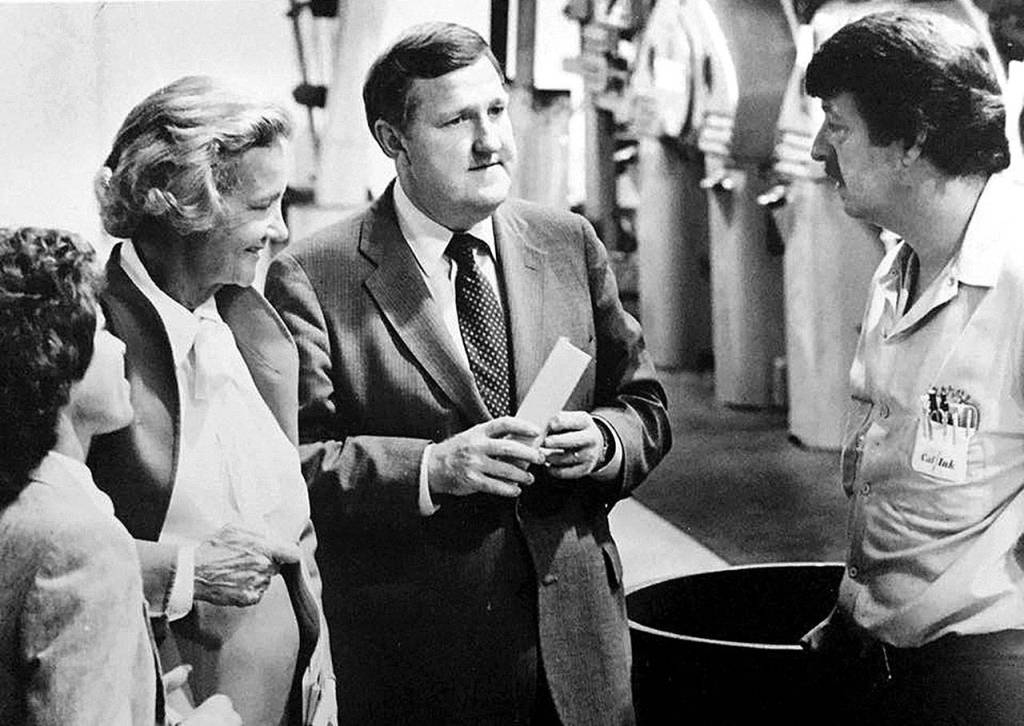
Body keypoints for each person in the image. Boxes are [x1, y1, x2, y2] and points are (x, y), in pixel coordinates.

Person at [264, 21, 671, 726]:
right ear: (394, 142)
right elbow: (290, 468)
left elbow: (646, 407)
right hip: (423, 664)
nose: (492, 141)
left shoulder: (567, 241)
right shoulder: (313, 275)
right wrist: (430, 469)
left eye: (495, 111)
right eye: (458, 120)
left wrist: (604, 443)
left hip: (577, 652)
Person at [89, 76, 336, 726]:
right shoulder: (88, 336)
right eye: (262, 205)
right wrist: (185, 572)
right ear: (184, 204)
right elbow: (33, 549)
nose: (280, 229)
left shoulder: (249, 321)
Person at [802, 10, 1024, 724]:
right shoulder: (900, 266)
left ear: (912, 139)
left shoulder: (1018, 277)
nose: (814, 149)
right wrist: (854, 609)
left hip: (986, 672)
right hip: (886, 654)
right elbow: (889, 471)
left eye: (836, 127)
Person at [0, 226, 241, 725]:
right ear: (56, 360)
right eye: (101, 331)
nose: (120, 349)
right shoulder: (80, 539)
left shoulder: (24, 503)